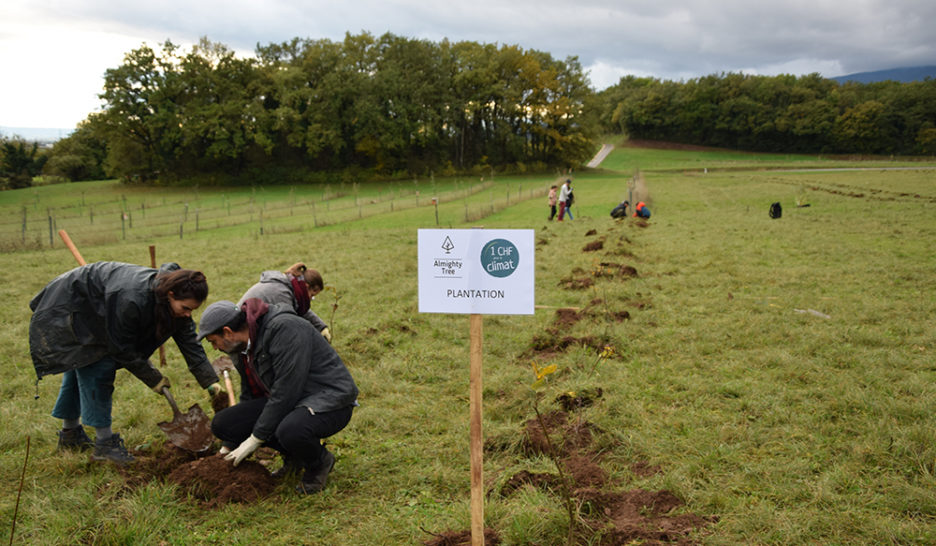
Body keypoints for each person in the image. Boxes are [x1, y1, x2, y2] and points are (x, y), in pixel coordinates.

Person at [28, 262, 223, 464]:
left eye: (192, 310)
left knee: (83, 364)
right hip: (75, 305)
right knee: (97, 365)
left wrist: (209, 381)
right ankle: (104, 444)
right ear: (171, 295)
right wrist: (153, 378)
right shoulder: (132, 299)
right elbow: (121, 348)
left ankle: (70, 435)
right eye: (185, 308)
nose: (187, 314)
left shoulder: (173, 305)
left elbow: (190, 343)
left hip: (103, 304)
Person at [198, 299, 359, 495]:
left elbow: (287, 390)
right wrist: (231, 444)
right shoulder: (240, 348)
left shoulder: (285, 328)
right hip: (291, 400)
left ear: (228, 332)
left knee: (290, 430)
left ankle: (319, 462)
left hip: (329, 399)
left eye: (213, 341)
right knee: (224, 423)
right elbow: (251, 394)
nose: (214, 348)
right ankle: (294, 456)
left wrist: (255, 439)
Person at [238, 262, 331, 342]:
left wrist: (321, 327)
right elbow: (290, 326)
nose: (310, 299)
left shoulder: (290, 286)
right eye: (312, 295)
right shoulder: (281, 292)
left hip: (253, 328)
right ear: (306, 286)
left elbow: (300, 308)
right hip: (239, 332)